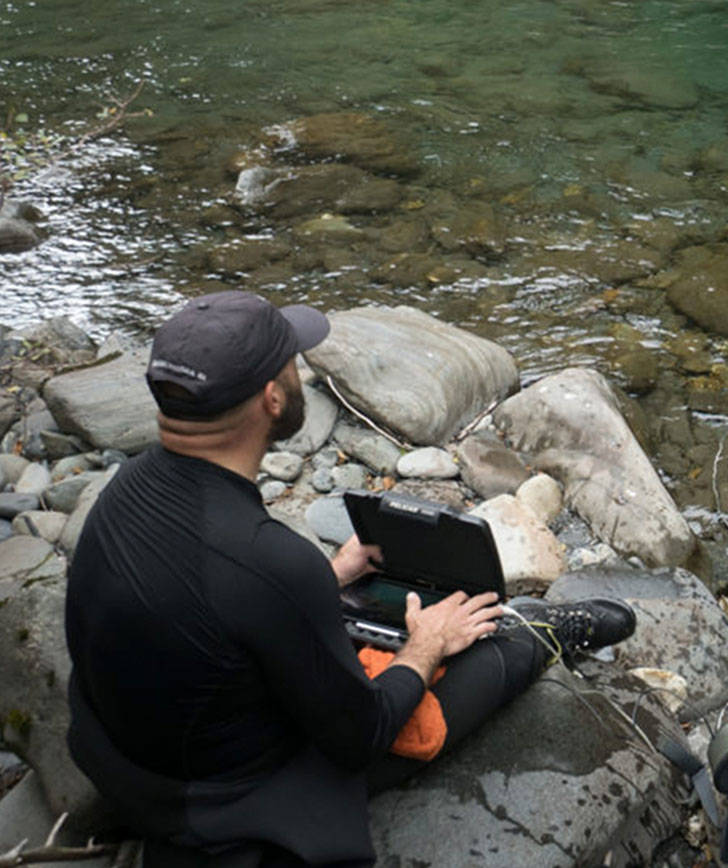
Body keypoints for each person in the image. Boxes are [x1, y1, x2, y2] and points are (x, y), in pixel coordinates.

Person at [63, 291, 636, 867]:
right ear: (270, 397)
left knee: (359, 628)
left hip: (126, 766)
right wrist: (425, 646)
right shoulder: (266, 559)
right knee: (477, 650)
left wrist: (327, 577)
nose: (299, 371)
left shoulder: (126, 488)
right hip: (222, 801)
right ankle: (539, 635)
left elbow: (208, 594)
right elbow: (363, 733)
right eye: (292, 362)